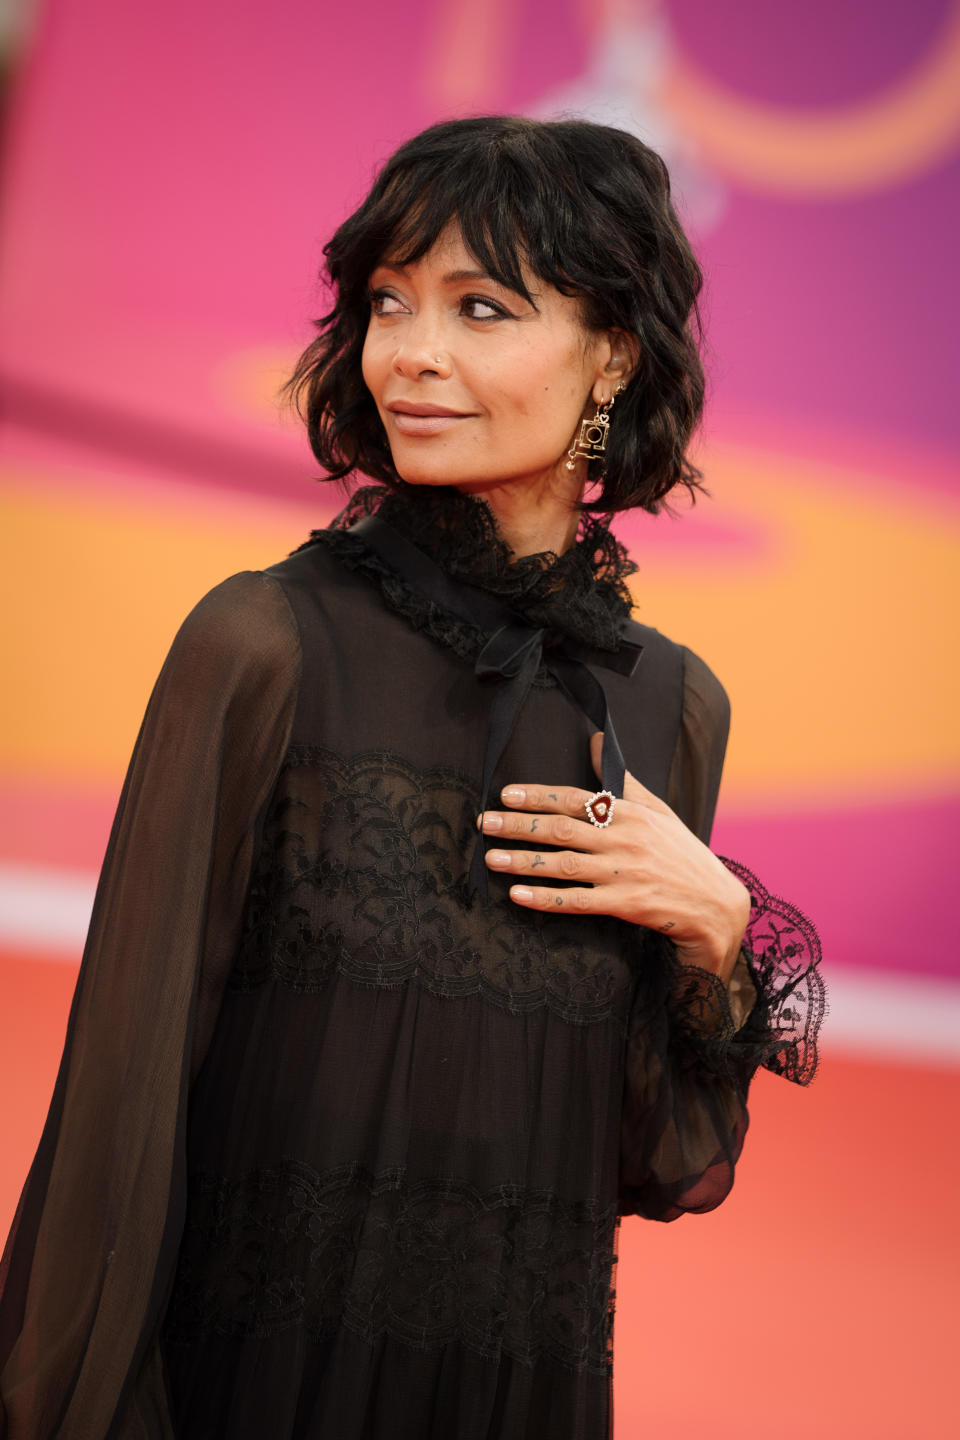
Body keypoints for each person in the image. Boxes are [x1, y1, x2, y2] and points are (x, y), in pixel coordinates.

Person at [0, 115, 825, 1439]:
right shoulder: (264, 642)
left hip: (514, 1390)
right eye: (389, 302)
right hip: (245, 1387)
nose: (412, 354)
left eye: (482, 307)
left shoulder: (670, 708)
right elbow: (120, 1100)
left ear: (613, 350)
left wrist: (719, 932)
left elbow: (657, 1160)